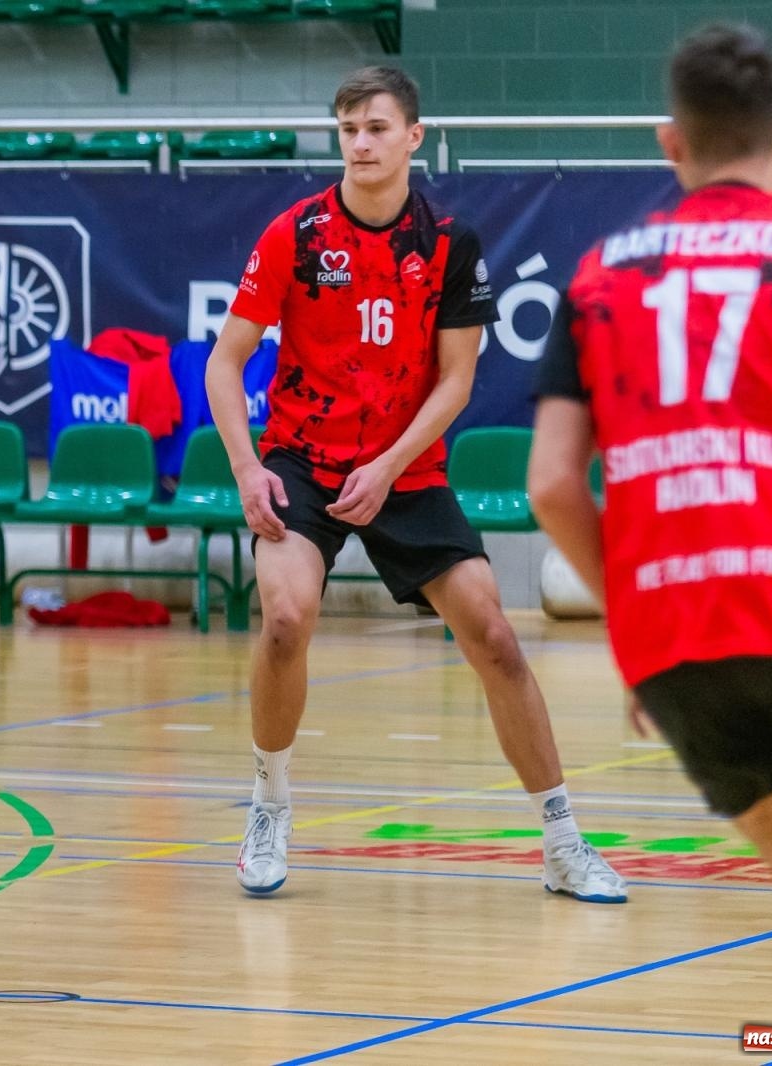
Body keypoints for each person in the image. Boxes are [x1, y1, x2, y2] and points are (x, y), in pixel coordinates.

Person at [530, 24, 772, 1060]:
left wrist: (634, 622)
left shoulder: (602, 273)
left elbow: (553, 484)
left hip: (672, 641)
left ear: (668, 144)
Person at [205, 66, 626, 904]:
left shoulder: (448, 242)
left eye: (376, 127)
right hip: (299, 459)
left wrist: (389, 465)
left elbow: (457, 381)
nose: (360, 142)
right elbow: (225, 360)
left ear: (413, 137)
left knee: (497, 638)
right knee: (286, 619)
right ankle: (269, 806)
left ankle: (561, 840)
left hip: (404, 465)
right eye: (348, 128)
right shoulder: (294, 233)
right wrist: (249, 469)